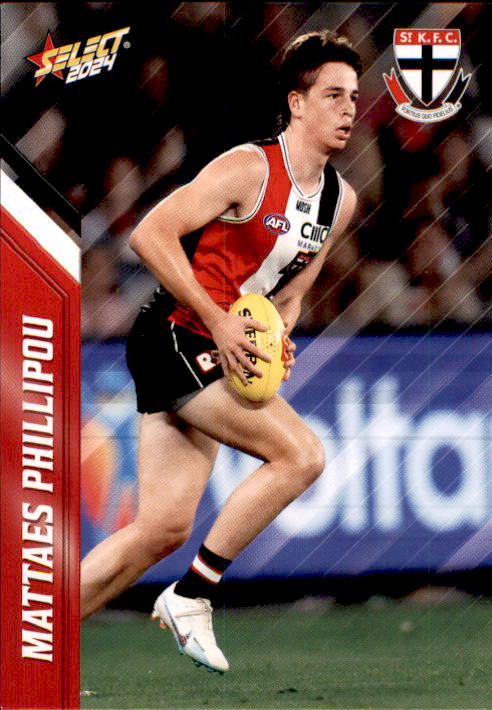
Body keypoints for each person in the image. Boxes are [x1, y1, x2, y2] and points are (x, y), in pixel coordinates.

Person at [80, 29, 361, 673]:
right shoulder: (249, 167)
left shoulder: (339, 200)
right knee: (301, 455)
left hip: (218, 348)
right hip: (176, 333)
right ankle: (192, 596)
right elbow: (150, 235)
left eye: (353, 96)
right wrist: (219, 321)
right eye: (333, 95)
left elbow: (291, 292)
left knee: (161, 530)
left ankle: (22, 649)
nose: (349, 108)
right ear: (296, 103)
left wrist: (279, 334)